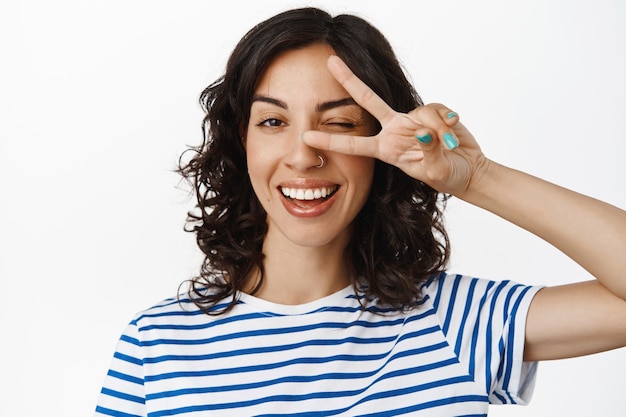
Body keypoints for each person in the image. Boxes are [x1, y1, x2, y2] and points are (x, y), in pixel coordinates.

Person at [95, 7, 626, 416]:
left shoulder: (452, 321)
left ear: (382, 147)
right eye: (273, 122)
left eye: (342, 124)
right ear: (242, 141)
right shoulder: (156, 347)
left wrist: (477, 178)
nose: (304, 154)